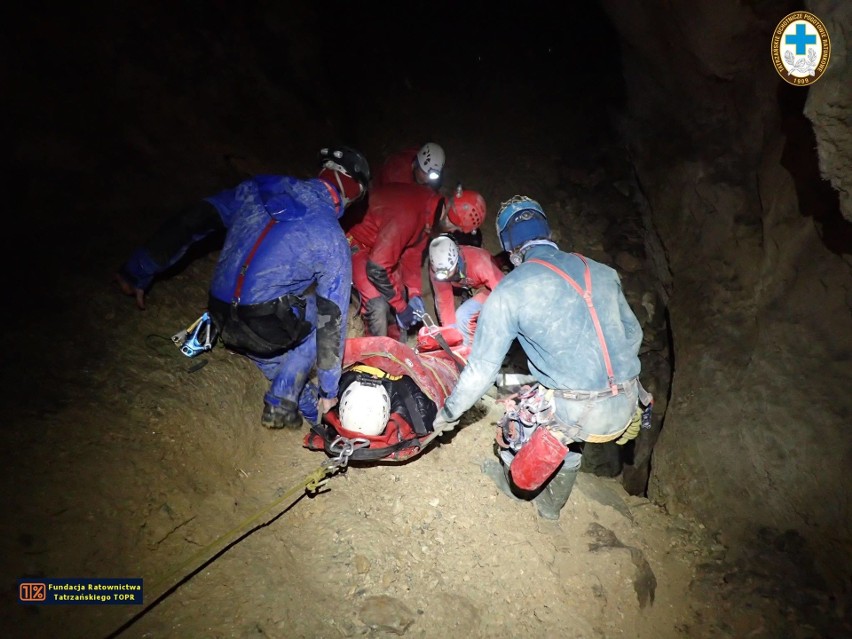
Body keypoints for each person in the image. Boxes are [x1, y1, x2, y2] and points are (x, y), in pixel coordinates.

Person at [115, 146, 371, 430]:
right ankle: (284, 398)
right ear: (352, 191)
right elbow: (330, 321)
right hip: (264, 323)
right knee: (323, 315)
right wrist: (329, 390)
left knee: (271, 347)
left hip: (220, 315)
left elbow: (194, 219)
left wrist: (137, 270)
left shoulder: (260, 187)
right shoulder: (331, 237)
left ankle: (310, 415)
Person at [432, 195, 645, 520]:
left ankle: (515, 487)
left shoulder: (509, 292)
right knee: (570, 431)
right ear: (547, 229)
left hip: (576, 409)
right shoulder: (603, 272)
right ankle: (550, 508)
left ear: (509, 245)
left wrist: (448, 414)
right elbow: (634, 335)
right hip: (629, 403)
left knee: (516, 413)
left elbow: (481, 372)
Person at [346, 182, 444, 338]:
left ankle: (394, 339)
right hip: (358, 242)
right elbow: (376, 268)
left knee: (399, 287)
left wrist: (414, 292)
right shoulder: (409, 215)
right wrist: (401, 307)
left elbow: (413, 254)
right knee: (377, 304)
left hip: (380, 244)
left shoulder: (430, 212)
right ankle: (373, 352)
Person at [428, 234, 504, 345]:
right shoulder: (437, 271)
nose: (446, 276)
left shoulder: (479, 262)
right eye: (443, 274)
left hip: (491, 286)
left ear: (456, 260)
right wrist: (452, 337)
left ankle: (471, 355)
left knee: (463, 315)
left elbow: (504, 291)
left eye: (449, 272)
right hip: (469, 286)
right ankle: (464, 353)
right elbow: (444, 304)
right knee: (454, 326)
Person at [373, 142, 445, 190]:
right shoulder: (396, 175)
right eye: (424, 173)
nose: (427, 179)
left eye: (431, 176)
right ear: (415, 164)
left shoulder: (423, 158)